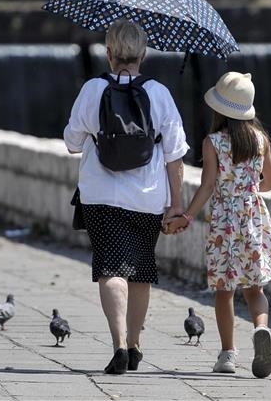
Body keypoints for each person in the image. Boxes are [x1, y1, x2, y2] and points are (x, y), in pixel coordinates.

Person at [63, 19, 189, 375]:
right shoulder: (159, 93)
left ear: (109, 52)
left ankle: (118, 344)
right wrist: (176, 205)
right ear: (143, 54)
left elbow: (72, 144)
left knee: (110, 268)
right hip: (148, 198)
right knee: (141, 271)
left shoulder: (92, 89)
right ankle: (135, 344)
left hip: (100, 195)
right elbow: (175, 155)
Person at [164, 71, 271, 378]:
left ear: (219, 109)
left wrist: (186, 216)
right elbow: (270, 182)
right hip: (254, 218)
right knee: (255, 289)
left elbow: (206, 186)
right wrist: (249, 188)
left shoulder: (212, 142)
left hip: (223, 223)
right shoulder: (260, 140)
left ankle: (228, 354)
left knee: (224, 290)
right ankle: (261, 328)